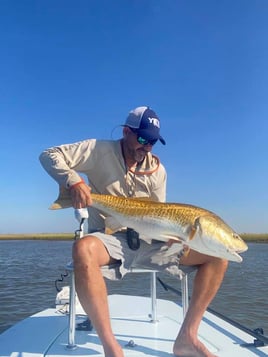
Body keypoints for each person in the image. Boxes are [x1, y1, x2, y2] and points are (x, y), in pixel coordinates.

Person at [39, 106, 228, 357]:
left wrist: (175, 236)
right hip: (110, 238)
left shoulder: (158, 170)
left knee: (218, 256)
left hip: (151, 240)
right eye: (142, 139)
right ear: (126, 131)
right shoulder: (98, 150)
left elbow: (159, 214)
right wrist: (73, 181)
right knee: (82, 249)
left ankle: (187, 338)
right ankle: (111, 348)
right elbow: (49, 154)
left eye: (152, 142)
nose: (147, 147)